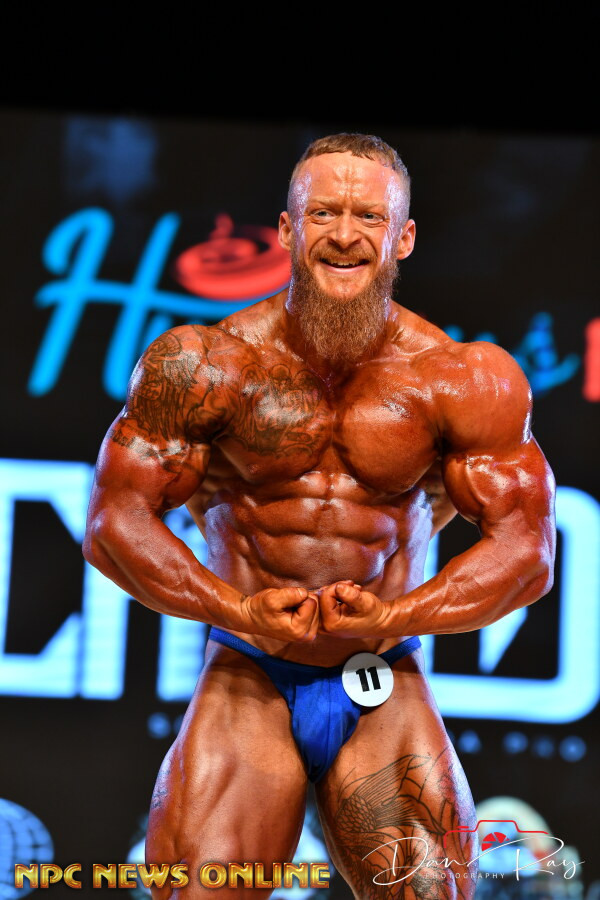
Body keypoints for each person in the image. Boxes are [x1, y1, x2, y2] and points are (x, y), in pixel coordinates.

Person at [83, 133, 555, 899]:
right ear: (287, 228)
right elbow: (114, 525)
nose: (344, 234)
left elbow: (528, 554)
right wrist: (235, 608)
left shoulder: (462, 379)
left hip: (381, 676)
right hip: (248, 671)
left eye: (369, 216)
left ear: (403, 235)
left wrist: (396, 615)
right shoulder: (205, 366)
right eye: (323, 213)